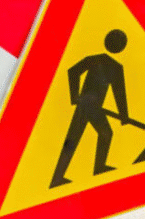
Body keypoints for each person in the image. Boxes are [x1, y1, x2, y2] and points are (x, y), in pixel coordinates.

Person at [50, 29, 130, 188]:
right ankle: (59, 177)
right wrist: (75, 97)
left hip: (91, 106)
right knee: (79, 137)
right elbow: (73, 72)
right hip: (87, 105)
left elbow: (119, 93)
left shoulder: (108, 65)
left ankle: (96, 167)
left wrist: (123, 115)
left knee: (100, 134)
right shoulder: (105, 63)